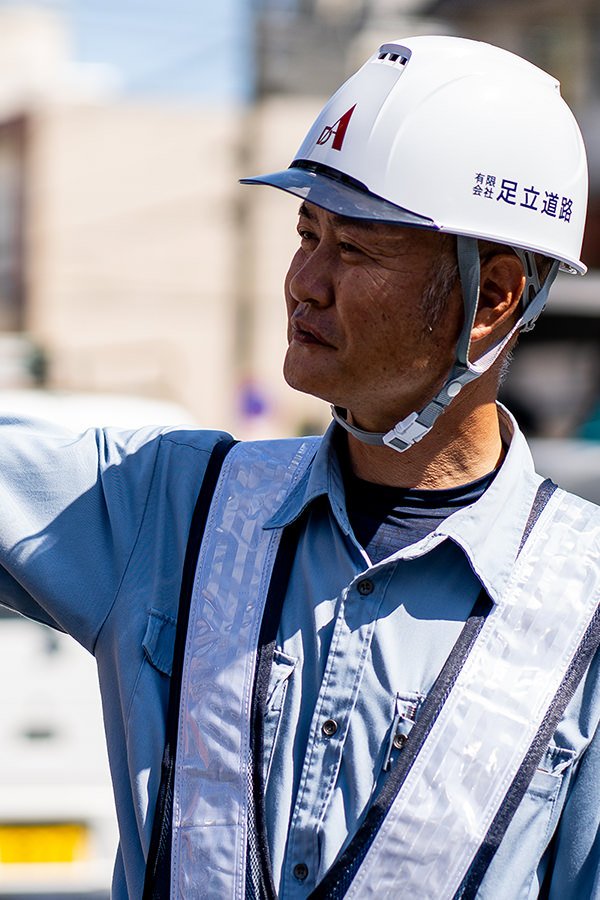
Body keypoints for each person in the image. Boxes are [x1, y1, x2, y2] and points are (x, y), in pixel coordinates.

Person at [0, 33, 598, 900]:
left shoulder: (585, 613)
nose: (303, 282)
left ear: (494, 296)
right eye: (306, 232)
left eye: (354, 251)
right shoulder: (171, 508)